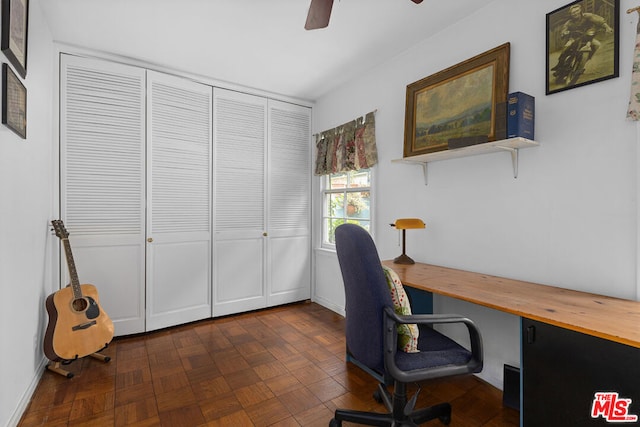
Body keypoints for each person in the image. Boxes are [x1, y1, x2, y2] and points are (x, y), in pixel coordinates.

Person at [552, 4, 613, 74]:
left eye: (577, 11)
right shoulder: (569, 22)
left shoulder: (587, 16)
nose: (575, 13)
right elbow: (564, 29)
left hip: (587, 37)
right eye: (573, 12)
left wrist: (607, 27)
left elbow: (599, 20)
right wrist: (564, 33)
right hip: (574, 38)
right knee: (567, 46)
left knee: (597, 44)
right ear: (571, 14)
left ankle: (585, 59)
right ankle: (560, 65)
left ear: (580, 10)